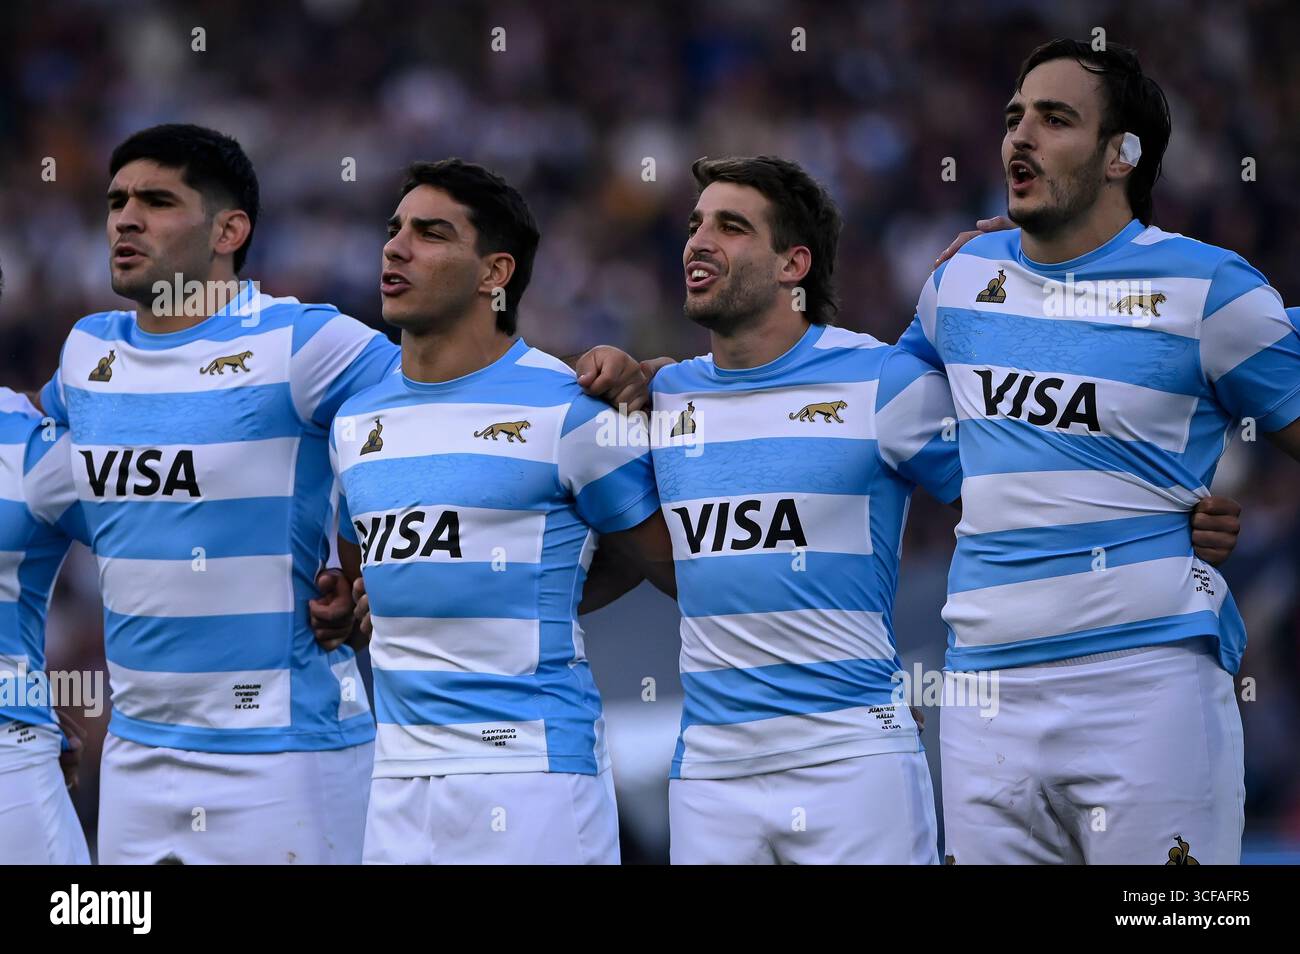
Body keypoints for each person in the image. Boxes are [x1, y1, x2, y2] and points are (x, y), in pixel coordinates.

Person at [897, 39, 1300, 864]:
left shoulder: (1209, 290)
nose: (1021, 137)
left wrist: (1249, 525)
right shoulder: (959, 279)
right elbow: (877, 411)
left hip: (1147, 692)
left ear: (1122, 155)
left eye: (1055, 119)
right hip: (982, 696)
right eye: (1014, 118)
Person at [331, 159, 671, 864]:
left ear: (495, 274)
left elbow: (675, 569)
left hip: (531, 779)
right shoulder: (352, 424)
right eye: (394, 230)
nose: (395, 248)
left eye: (430, 234)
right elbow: (376, 588)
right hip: (395, 786)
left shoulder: (571, 407)